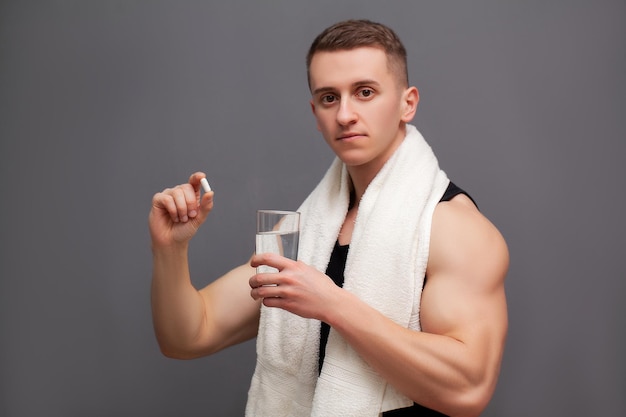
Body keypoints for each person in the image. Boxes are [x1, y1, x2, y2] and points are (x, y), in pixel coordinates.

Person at [149, 19, 508, 417]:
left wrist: (333, 304)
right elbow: (188, 335)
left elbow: (469, 389)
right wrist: (170, 247)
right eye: (329, 98)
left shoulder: (453, 228)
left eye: (365, 92)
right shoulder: (307, 229)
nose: (345, 115)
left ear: (408, 102)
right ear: (314, 111)